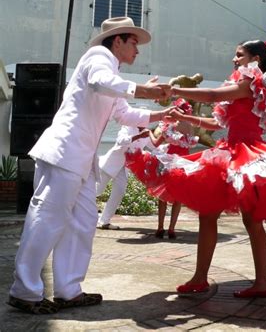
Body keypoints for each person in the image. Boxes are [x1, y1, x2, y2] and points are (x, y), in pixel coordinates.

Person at [126, 40, 266, 298]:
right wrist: (183, 117)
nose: (234, 59)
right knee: (209, 214)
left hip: (248, 156)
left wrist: (174, 89)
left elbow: (213, 96)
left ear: (254, 57)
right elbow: (215, 122)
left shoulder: (250, 82)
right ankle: (201, 277)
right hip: (229, 151)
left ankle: (261, 282)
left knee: (252, 220)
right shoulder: (241, 83)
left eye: (239, 55)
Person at [8, 16, 171, 314]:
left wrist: (163, 115)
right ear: (117, 41)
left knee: (82, 223)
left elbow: (125, 114)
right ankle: (24, 291)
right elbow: (101, 81)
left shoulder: (114, 70)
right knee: (46, 220)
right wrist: (143, 90)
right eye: (133, 42)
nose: (138, 50)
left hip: (81, 160)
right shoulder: (99, 56)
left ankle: (69, 291)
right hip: (65, 153)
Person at [150, 98, 199, 239]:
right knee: (178, 197)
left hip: (169, 161)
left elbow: (158, 140)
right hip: (183, 162)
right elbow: (190, 144)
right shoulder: (190, 127)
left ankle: (160, 227)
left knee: (162, 196)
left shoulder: (169, 125)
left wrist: (148, 133)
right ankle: (172, 229)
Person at [96, 125, 155, 230]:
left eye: (147, 120)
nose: (145, 123)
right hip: (111, 163)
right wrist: (138, 136)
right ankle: (71, 212)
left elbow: (155, 146)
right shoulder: (127, 128)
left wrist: (170, 140)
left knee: (119, 192)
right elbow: (120, 141)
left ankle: (104, 221)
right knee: (96, 191)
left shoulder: (147, 134)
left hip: (124, 168)